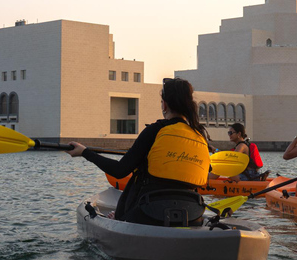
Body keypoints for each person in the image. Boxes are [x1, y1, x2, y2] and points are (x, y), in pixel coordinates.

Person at [66, 78, 210, 226]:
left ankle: (120, 217)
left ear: (164, 105)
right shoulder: (200, 136)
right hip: (192, 214)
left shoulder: (155, 131)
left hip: (149, 214)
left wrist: (85, 152)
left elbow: (119, 171)